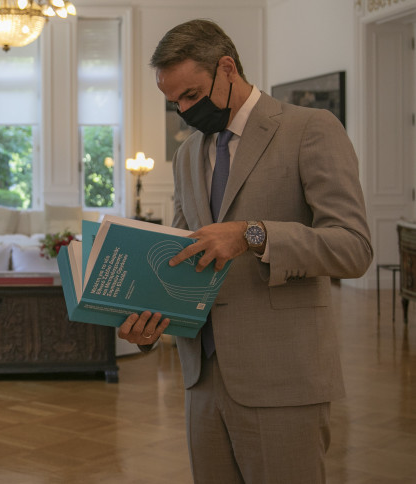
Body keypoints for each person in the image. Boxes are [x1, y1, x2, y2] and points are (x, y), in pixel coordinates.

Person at [117, 19, 372, 484]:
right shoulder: (188, 155)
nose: (183, 111)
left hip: (282, 376)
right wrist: (149, 324)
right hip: (201, 380)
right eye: (174, 102)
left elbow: (353, 248)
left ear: (228, 69)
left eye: (191, 95)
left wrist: (253, 235)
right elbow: (182, 257)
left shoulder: (309, 129)